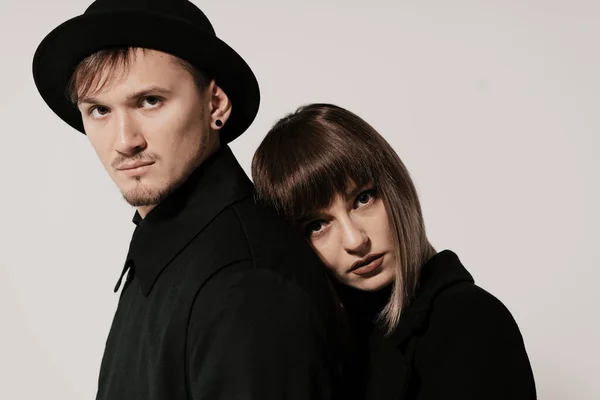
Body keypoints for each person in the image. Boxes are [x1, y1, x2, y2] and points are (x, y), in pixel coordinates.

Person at [32, 2, 349, 399]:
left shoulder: (245, 283)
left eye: (149, 101)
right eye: (99, 110)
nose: (125, 141)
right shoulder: (165, 254)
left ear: (215, 104)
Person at [252, 103, 538, 400]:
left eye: (363, 199)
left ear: (395, 187)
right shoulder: (323, 346)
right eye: (317, 225)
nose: (354, 240)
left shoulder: (469, 322)